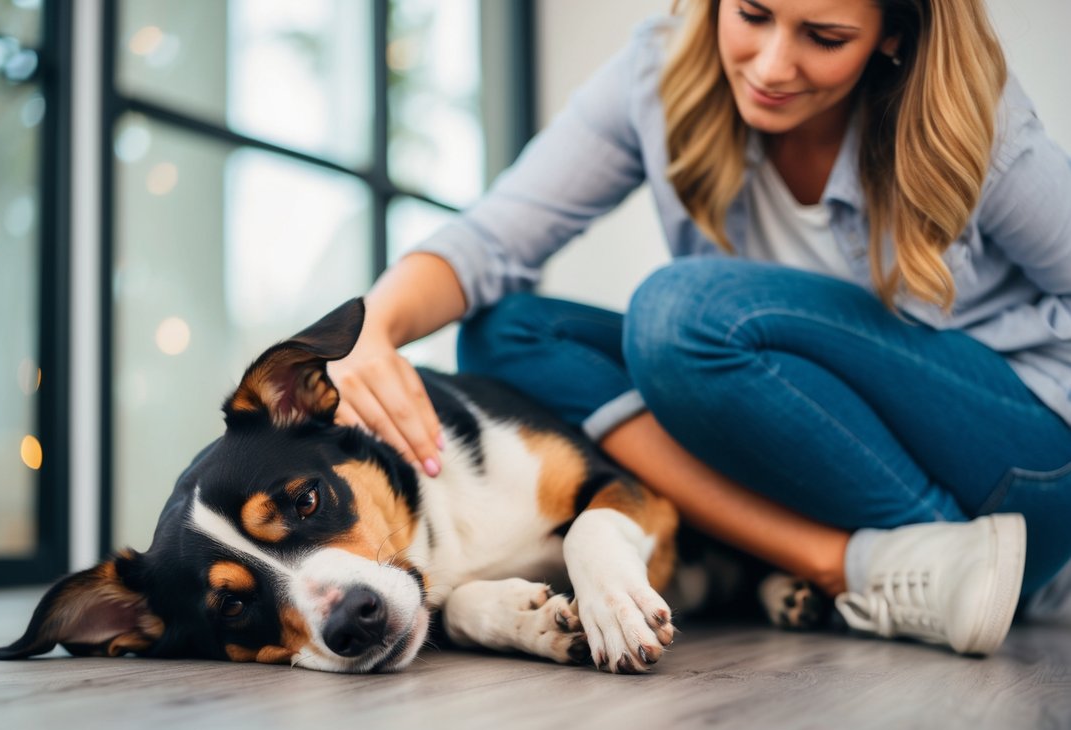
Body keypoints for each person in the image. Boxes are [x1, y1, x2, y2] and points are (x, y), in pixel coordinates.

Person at [328, 0, 1071, 657]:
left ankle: (950, 559)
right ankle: (859, 565)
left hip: (1018, 463)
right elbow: (493, 241)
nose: (773, 65)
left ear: (893, 34)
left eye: (823, 35)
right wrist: (373, 326)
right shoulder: (658, 77)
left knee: (681, 316)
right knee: (505, 334)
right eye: (750, 14)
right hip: (859, 485)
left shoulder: (975, 120)